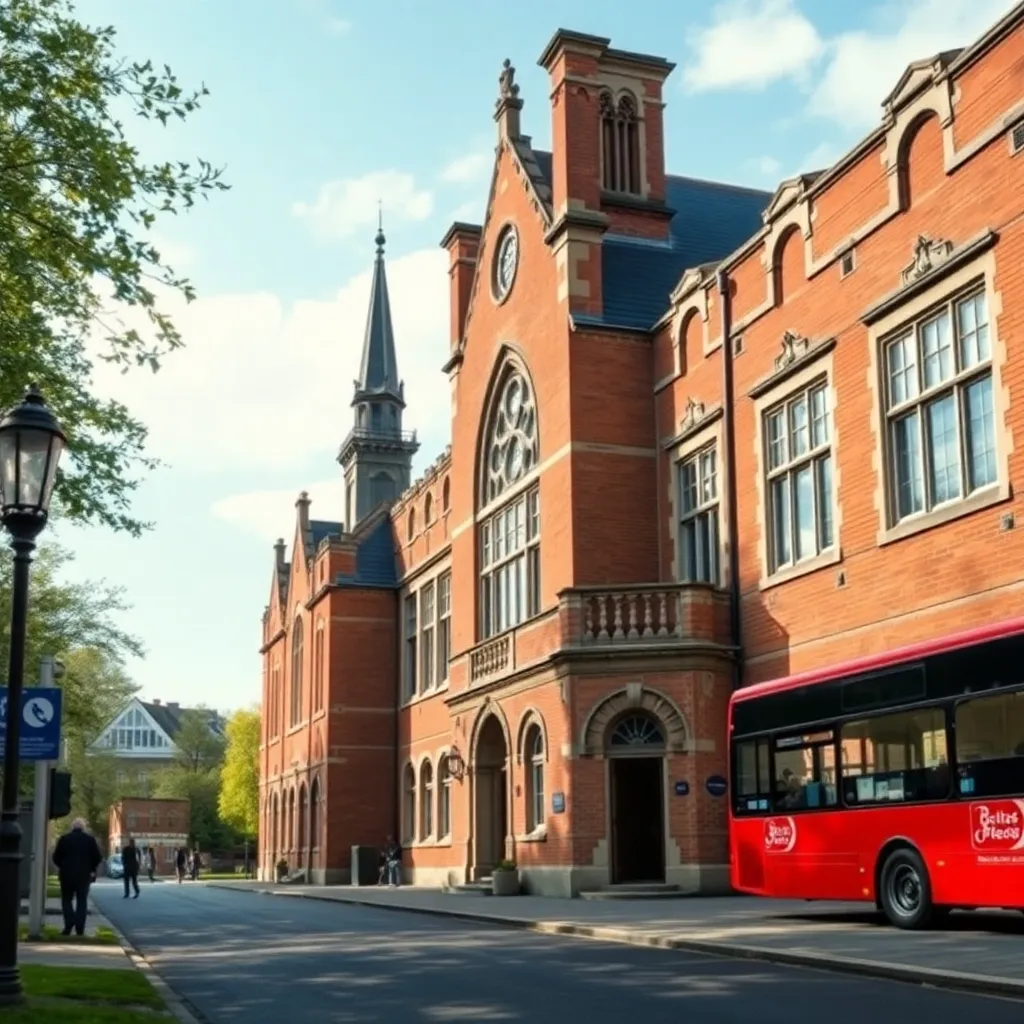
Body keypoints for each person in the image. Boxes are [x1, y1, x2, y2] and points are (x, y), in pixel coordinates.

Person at [51, 818, 103, 937]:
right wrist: (91, 868)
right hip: (84, 875)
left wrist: (63, 866)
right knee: (82, 901)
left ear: (72, 827)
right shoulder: (90, 840)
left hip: (67, 874)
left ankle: (69, 924)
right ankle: (80, 929)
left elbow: (56, 857)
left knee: (66, 900)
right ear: (83, 828)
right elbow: (98, 857)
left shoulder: (64, 839)